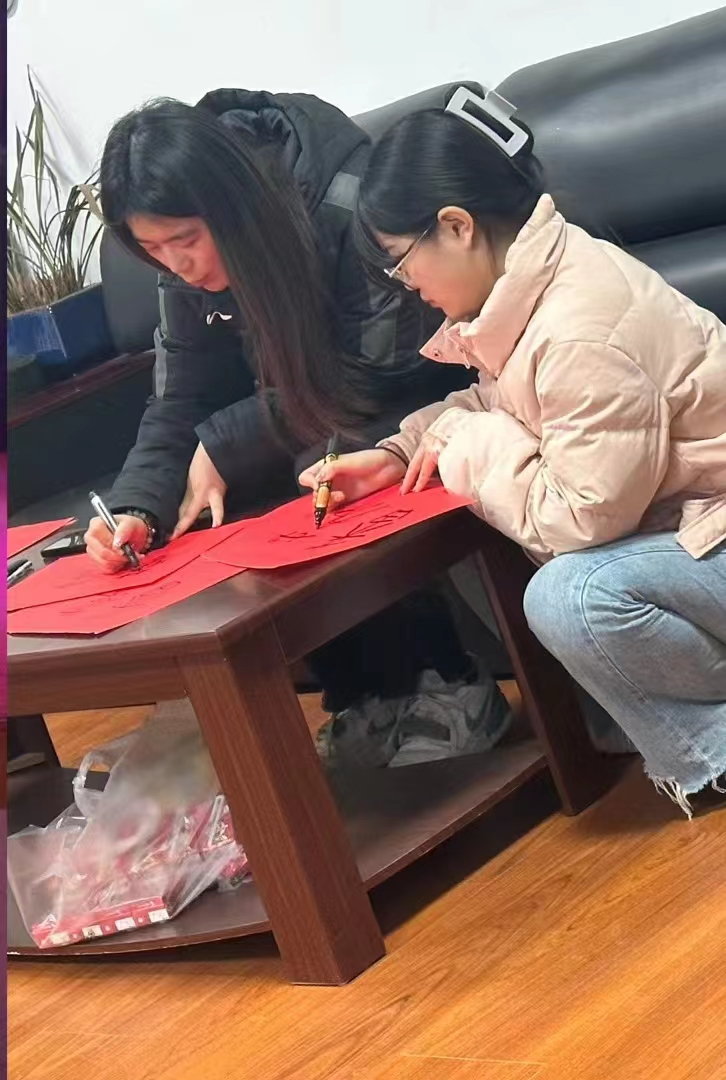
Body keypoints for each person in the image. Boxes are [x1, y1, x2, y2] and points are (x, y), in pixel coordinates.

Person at [300, 86, 726, 812]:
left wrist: (467, 444)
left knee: (573, 597)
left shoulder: (579, 330)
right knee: (474, 511)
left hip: (709, 533)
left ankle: (711, 751)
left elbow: (582, 519)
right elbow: (500, 406)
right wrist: (400, 453)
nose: (408, 286)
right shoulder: (530, 289)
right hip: (691, 534)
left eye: (401, 261)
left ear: (456, 226)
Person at [85, 90, 513, 767]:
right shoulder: (182, 269)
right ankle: (367, 697)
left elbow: (382, 367)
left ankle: (452, 683)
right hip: (319, 405)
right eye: (153, 249)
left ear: (229, 202)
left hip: (424, 386)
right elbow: (177, 398)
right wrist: (136, 506)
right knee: (217, 506)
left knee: (321, 464)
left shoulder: (342, 201)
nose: (177, 265)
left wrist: (227, 441)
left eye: (186, 241)